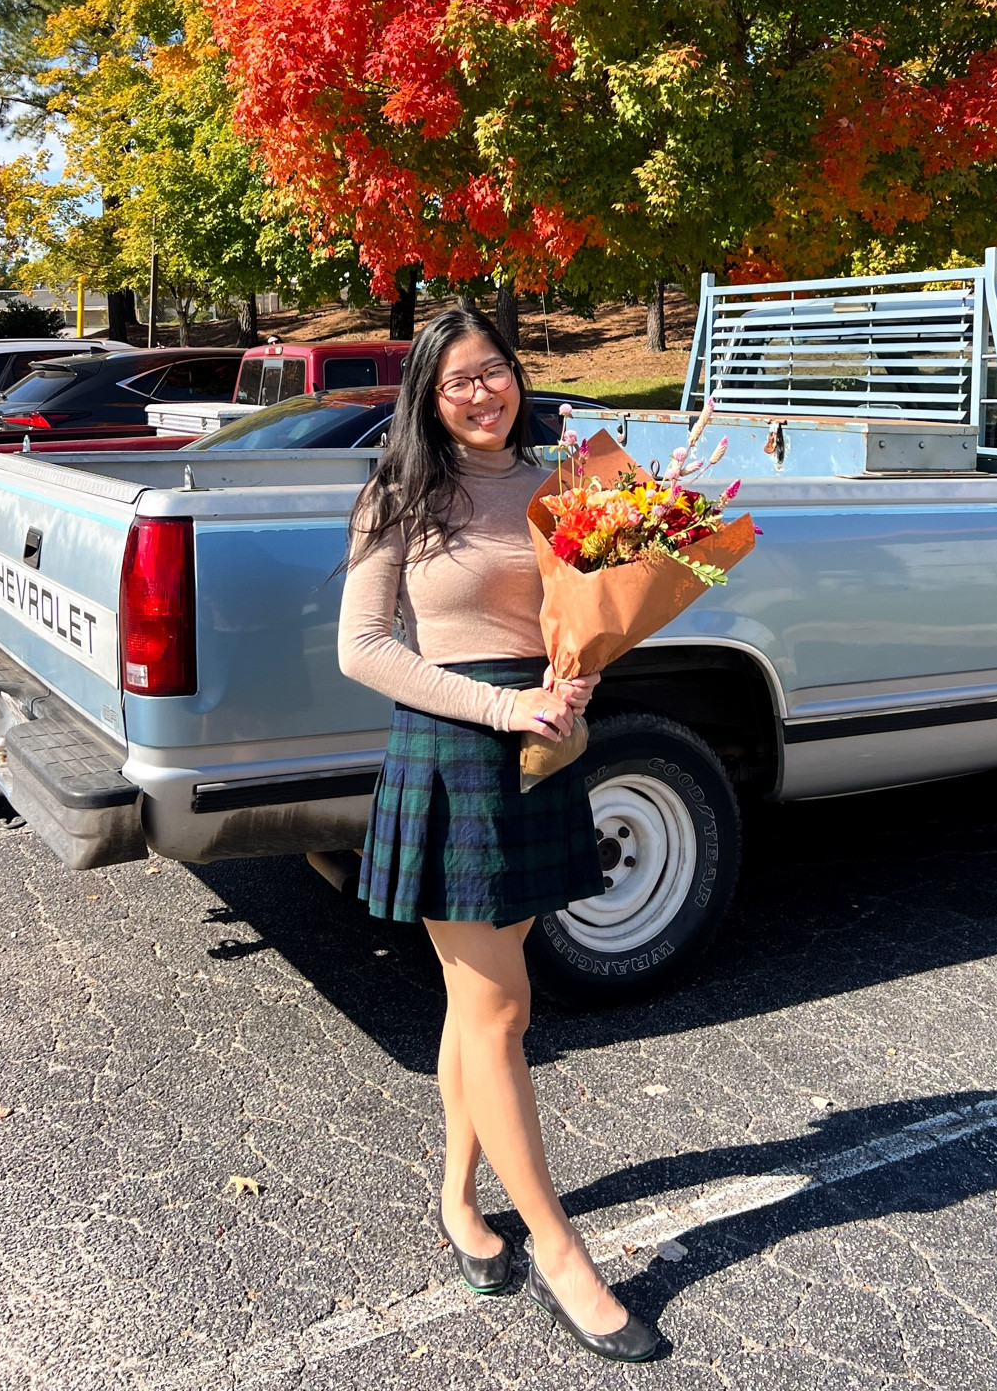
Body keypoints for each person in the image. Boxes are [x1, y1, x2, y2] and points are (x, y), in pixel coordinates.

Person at [337, 303, 659, 1364]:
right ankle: (562, 1254)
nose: (485, 392)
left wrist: (579, 671)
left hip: (539, 751)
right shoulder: (400, 491)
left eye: (498, 371)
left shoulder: (562, 488)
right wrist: (501, 705)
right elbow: (364, 648)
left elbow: (577, 613)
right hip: (454, 752)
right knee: (505, 1010)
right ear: (428, 394)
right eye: (459, 379)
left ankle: (458, 1200)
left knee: (478, 1002)